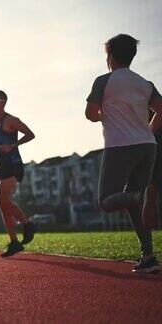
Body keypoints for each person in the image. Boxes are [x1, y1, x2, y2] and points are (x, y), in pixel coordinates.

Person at [86, 34, 162, 273]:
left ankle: (137, 197)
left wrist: (104, 117)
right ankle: (148, 255)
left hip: (120, 146)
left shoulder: (103, 81)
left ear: (109, 54)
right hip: (147, 146)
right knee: (131, 201)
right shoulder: (144, 83)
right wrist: (148, 130)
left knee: (106, 201)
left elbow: (90, 113)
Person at [0, 90, 36, 258]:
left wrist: (13, 145)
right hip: (0, 166)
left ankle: (27, 224)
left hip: (13, 165)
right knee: (3, 204)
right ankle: (14, 242)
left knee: (1, 199)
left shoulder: (11, 120)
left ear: (0, 102)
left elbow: (30, 134)